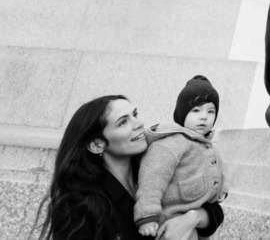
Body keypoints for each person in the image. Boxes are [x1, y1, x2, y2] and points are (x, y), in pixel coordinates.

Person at [35, 95, 223, 240]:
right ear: (97, 145)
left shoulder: (156, 165)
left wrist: (192, 218)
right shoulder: (78, 203)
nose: (139, 124)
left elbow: (213, 208)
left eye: (135, 115)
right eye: (123, 122)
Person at [134, 76, 227, 238]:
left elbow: (218, 171)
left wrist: (221, 190)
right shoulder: (171, 142)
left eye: (210, 111)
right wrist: (147, 215)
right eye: (196, 110)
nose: (204, 117)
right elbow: (152, 178)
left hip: (194, 218)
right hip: (167, 219)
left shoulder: (208, 146)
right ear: (182, 113)